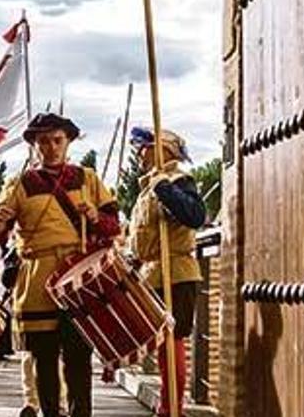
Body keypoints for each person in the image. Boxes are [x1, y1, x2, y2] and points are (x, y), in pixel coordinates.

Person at [0, 113, 120, 417]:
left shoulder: (87, 178)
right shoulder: (19, 183)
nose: (51, 146)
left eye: (57, 140)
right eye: (43, 141)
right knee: (43, 358)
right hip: (37, 277)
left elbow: (114, 227)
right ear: (34, 145)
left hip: (79, 275)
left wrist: (96, 218)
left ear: (68, 141)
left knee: (78, 359)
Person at [126, 127, 206, 416]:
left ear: (163, 150)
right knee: (161, 343)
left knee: (172, 341)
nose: (138, 154)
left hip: (177, 272)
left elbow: (195, 216)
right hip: (153, 273)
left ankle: (173, 407)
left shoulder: (177, 181)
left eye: (145, 147)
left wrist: (165, 189)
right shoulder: (148, 187)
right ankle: (166, 402)